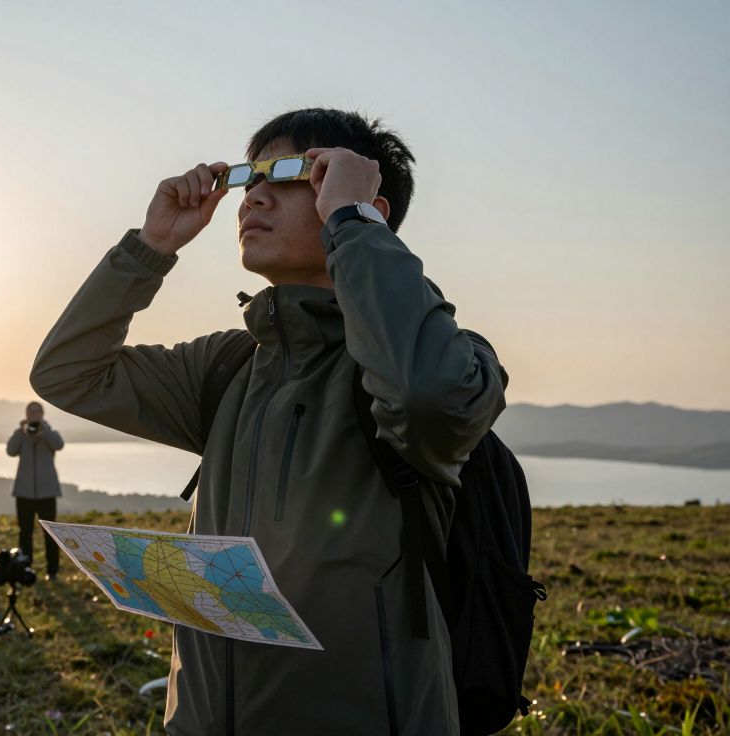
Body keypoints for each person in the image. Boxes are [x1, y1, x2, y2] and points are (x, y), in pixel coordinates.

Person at [30, 108, 508, 735]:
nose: (253, 196)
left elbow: (428, 398)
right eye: (248, 177)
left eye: (288, 174)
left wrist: (354, 224)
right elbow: (68, 373)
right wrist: (150, 247)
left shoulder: (444, 361)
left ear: (364, 205)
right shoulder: (230, 366)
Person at [6, 401, 64, 580]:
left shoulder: (50, 433)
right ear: (26, 415)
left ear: (43, 414)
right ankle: (25, 569)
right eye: (32, 412)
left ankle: (52, 571)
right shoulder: (21, 434)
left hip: (47, 493)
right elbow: (10, 450)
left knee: (50, 533)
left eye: (38, 412)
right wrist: (20, 431)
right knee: (25, 532)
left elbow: (59, 445)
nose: (35, 415)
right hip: (24, 493)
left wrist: (44, 432)